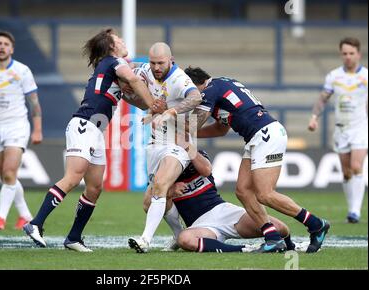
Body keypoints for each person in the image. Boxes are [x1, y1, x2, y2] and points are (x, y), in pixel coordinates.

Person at [23, 28, 163, 251]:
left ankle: (74, 238)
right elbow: (136, 83)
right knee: (72, 177)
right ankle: (35, 223)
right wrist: (155, 105)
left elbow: (138, 99)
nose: (123, 40)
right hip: (84, 124)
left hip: (96, 132)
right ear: (111, 47)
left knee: (95, 187)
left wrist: (149, 102)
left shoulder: (111, 69)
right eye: (118, 39)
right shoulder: (113, 62)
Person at [184, 66, 330, 253]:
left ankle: (316, 224)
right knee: (243, 191)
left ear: (195, 85)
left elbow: (198, 120)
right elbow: (220, 130)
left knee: (265, 194)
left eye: (189, 91)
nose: (189, 97)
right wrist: (190, 136)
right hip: (257, 136)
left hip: (265, 134)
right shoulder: (220, 85)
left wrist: (177, 124)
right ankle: (273, 237)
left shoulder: (210, 89)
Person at [142, 148, 296, 253]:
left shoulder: (195, 154)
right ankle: (245, 248)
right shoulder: (162, 169)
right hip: (201, 225)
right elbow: (148, 202)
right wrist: (170, 191)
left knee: (280, 228)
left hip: (223, 211)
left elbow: (207, 169)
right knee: (185, 240)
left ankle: (289, 245)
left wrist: (187, 145)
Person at [127, 42, 203, 253]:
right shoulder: (146, 71)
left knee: (160, 184)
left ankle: (145, 240)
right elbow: (130, 67)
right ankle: (180, 235)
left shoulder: (179, 79)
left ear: (171, 60)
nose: (156, 67)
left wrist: (171, 112)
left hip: (178, 143)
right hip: (155, 144)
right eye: (152, 62)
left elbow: (196, 97)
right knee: (148, 202)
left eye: (161, 63)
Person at [0, 31, 42, 230]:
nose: (2, 46)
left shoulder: (22, 71)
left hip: (17, 125)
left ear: (11, 49)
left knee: (9, 171)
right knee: (7, 177)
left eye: (6, 44)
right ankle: (26, 216)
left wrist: (37, 130)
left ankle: (0, 218)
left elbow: (34, 103)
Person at [308, 37, 368, 224]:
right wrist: (314, 117)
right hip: (341, 128)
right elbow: (323, 99)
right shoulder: (334, 76)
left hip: (360, 127)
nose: (348, 57)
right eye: (344, 53)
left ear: (358, 54)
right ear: (341, 54)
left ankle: (354, 211)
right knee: (346, 172)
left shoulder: (366, 76)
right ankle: (352, 208)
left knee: (357, 166)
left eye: (351, 53)